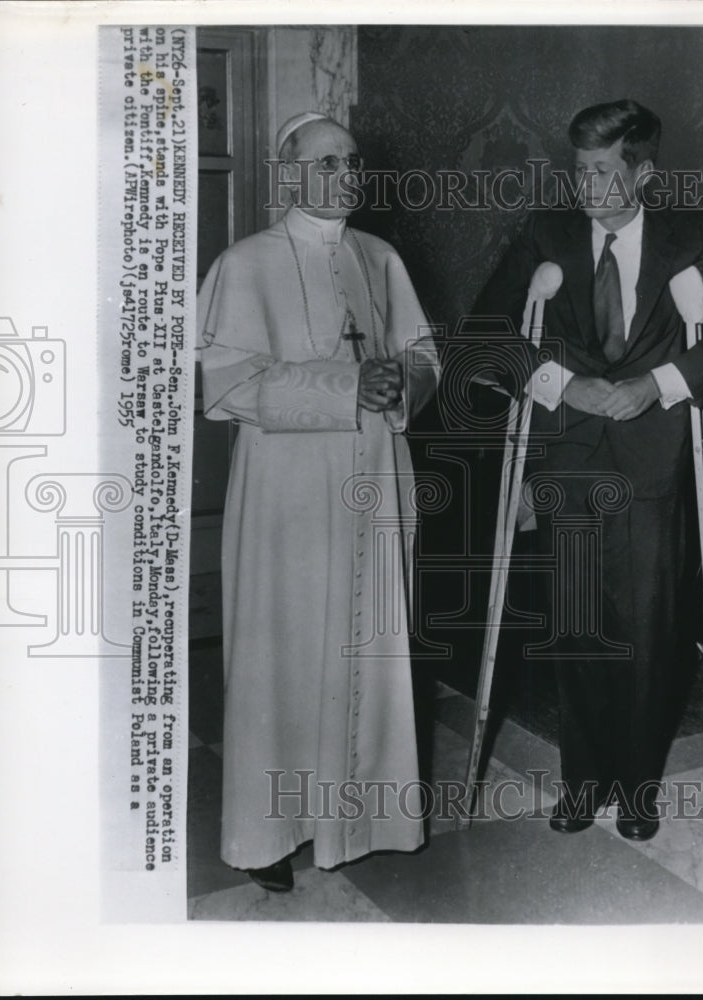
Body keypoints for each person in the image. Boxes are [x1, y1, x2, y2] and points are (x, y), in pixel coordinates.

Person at [472, 99, 703, 841]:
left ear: (642, 172)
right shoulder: (548, 231)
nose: (586, 185)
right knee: (575, 622)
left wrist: (653, 384)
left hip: (654, 453)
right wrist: (566, 384)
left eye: (601, 170)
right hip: (568, 448)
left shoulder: (691, 235)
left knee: (646, 625)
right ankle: (581, 781)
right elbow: (487, 333)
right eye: (579, 169)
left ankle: (636, 787)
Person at [197, 112, 439, 890]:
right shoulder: (245, 264)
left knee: (368, 640)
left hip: (374, 474)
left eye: (353, 163)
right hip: (287, 496)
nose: (347, 177)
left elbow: (424, 352)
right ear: (289, 174)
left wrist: (407, 381)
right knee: (281, 654)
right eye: (328, 164)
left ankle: (361, 819)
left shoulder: (381, 256)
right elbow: (224, 383)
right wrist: (342, 386)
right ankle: (268, 836)